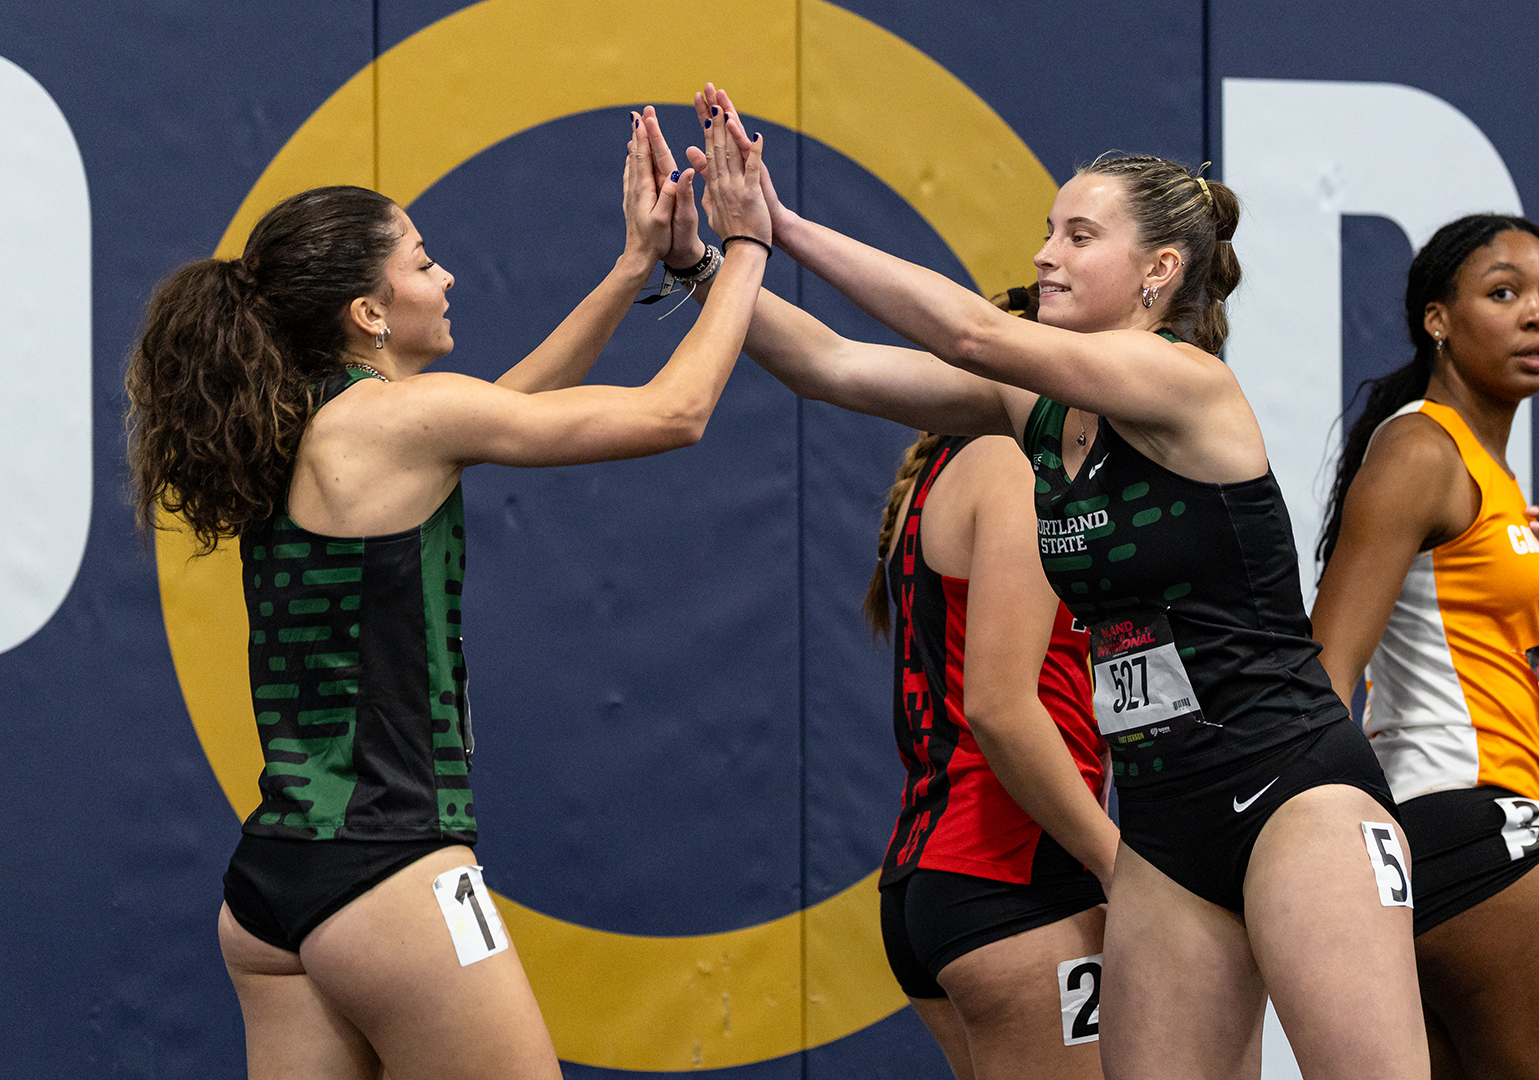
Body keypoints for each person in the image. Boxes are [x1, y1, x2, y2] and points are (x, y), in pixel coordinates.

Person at [677, 85, 1428, 1079]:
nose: (1045, 256)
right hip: (1164, 824)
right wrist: (700, 261)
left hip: (1292, 789)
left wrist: (782, 226)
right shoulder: (1036, 412)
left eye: (1079, 236)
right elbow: (829, 366)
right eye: (1048, 232)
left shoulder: (1185, 381)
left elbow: (974, 333)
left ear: (1160, 271)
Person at [123, 107, 771, 1079]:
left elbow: (504, 410)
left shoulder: (303, 426)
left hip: (275, 891)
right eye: (423, 263)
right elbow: (675, 413)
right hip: (391, 874)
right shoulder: (398, 421)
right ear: (368, 312)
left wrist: (635, 262)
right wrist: (747, 245)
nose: (447, 277)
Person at [1311, 214, 1539, 1078]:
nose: (1538, 315)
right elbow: (1327, 668)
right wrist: (1323, 863)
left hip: (1449, 840)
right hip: (1477, 832)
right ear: (1436, 319)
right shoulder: (1422, 450)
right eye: (1504, 293)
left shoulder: (1488, 469)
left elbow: (1487, 672)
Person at [864, 430, 1118, 1080]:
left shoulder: (945, 470)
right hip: (1013, 880)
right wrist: (1117, 865)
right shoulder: (1011, 469)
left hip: (939, 879)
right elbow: (1000, 710)